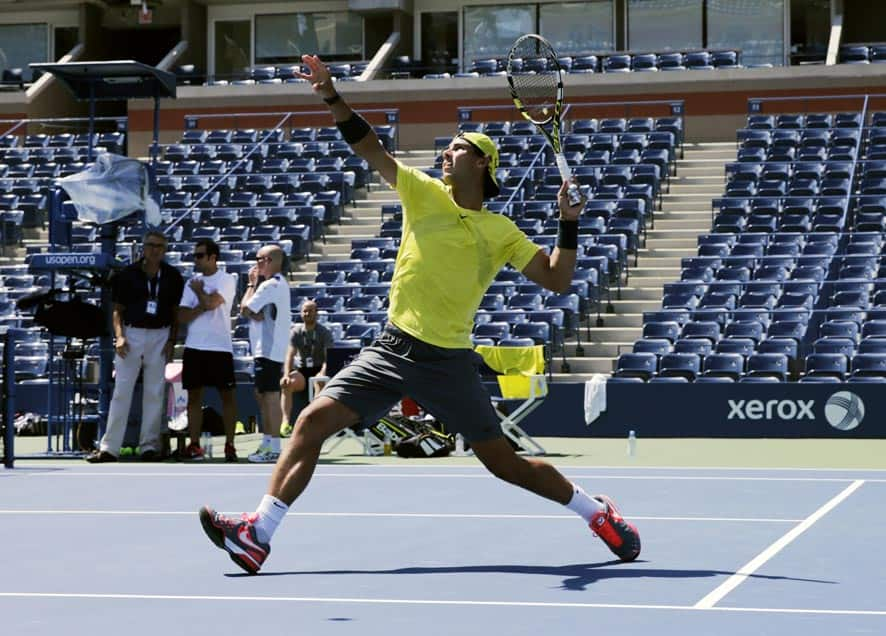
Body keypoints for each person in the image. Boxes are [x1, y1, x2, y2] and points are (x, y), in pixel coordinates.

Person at [199, 54, 640, 573]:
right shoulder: (422, 192)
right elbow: (369, 146)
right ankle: (258, 533)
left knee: (503, 464)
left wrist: (568, 224)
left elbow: (557, 279)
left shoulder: (500, 232)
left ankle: (596, 513)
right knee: (313, 422)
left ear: (482, 164)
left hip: (447, 362)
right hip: (391, 347)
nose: (447, 153)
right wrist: (329, 94)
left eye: (459, 148)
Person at [86, 231, 184, 463]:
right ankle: (110, 448)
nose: (155, 250)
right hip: (132, 334)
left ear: (165, 249)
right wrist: (120, 337)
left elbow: (175, 312)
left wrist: (172, 340)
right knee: (122, 391)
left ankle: (149, 446)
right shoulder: (128, 274)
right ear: (143, 247)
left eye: (160, 246)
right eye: (151, 245)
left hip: (160, 334)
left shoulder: (172, 276)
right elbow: (117, 309)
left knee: (154, 392)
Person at [178, 238, 239, 462]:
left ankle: (230, 445)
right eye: (195, 255)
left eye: (200, 255)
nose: (196, 259)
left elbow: (214, 303)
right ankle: (194, 446)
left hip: (220, 347)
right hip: (195, 346)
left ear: (213, 257)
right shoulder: (192, 283)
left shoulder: (227, 279)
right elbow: (182, 315)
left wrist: (200, 296)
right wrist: (201, 302)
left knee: (227, 397)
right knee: (194, 397)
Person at [239, 244, 291, 463]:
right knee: (263, 395)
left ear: (272, 261)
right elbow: (255, 312)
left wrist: (251, 284)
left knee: (269, 396)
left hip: (268, 350)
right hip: (266, 348)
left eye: (261, 259)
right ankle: (268, 442)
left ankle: (274, 448)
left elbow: (244, 309)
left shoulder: (269, 285)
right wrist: (254, 312)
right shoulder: (276, 284)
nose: (257, 263)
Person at [279, 299, 334, 437]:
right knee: (287, 384)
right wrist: (286, 374)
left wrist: (322, 372)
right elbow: (289, 355)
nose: (307, 313)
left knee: (318, 381)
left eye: (310, 310)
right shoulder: (296, 331)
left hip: (320, 368)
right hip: (303, 370)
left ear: (316, 313)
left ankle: (313, 422)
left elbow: (329, 358)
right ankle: (285, 423)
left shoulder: (324, 332)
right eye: (304, 311)